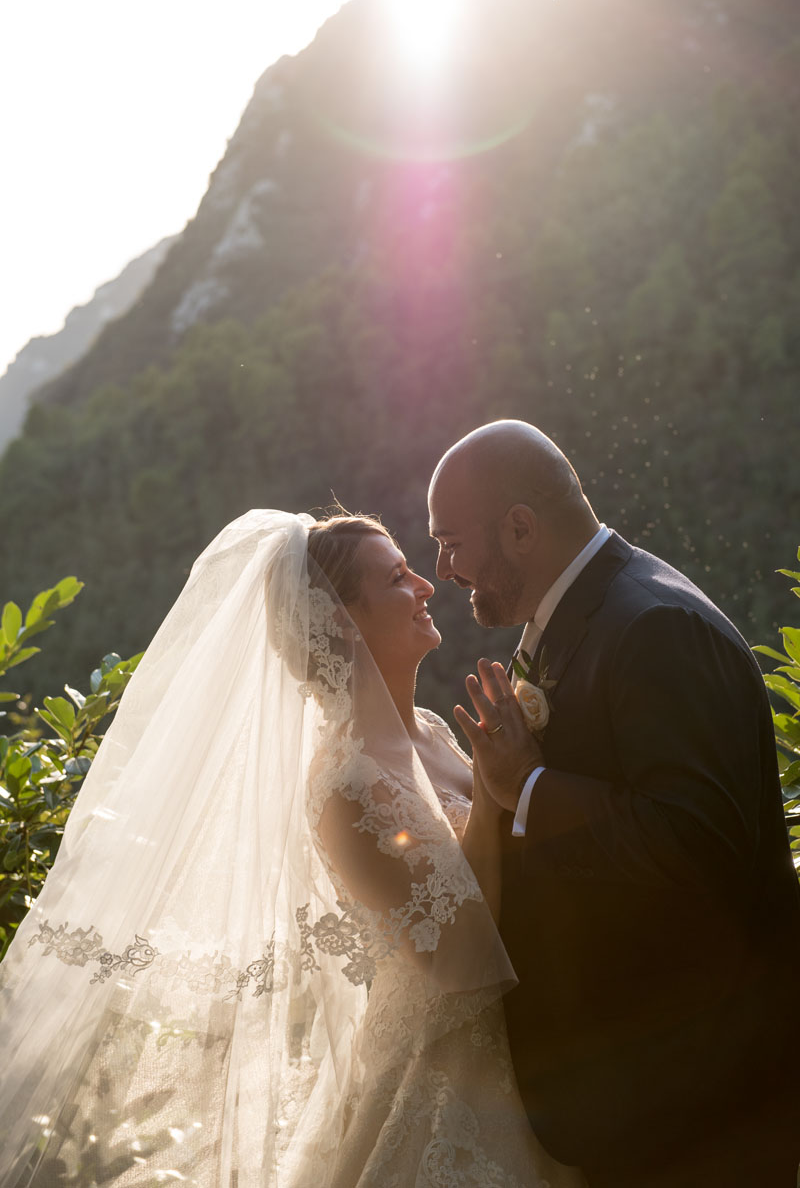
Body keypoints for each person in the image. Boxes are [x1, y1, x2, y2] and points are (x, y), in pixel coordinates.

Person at [0, 509, 582, 1187]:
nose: (425, 584)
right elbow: (458, 959)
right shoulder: (345, 786)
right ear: (341, 618)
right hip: (449, 1085)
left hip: (537, 1049)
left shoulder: (430, 730)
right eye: (397, 577)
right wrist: (492, 782)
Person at [428, 419, 800, 1188]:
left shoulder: (655, 625)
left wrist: (526, 788)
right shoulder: (571, 618)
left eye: (453, 541)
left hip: (700, 1108)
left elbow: (695, 843)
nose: (444, 567)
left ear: (521, 528)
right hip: (641, 1099)